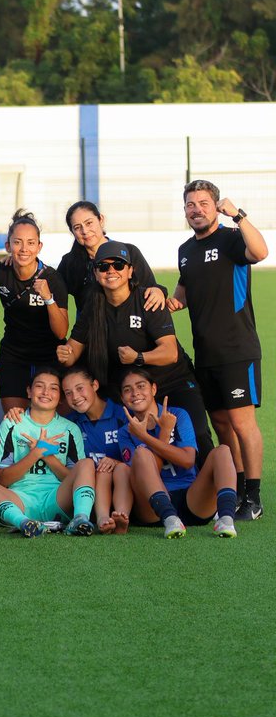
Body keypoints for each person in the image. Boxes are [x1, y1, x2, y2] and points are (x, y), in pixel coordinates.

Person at [57, 240, 213, 464]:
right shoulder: (94, 306)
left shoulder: (147, 299)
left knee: (196, 435)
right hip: (130, 393)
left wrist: (138, 358)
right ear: (95, 273)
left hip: (171, 382)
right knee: (131, 447)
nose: (111, 271)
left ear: (130, 270)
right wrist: (65, 353)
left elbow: (170, 353)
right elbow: (73, 349)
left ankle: (217, 494)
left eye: (119, 265)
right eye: (104, 267)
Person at [170, 180, 268, 519]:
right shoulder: (185, 251)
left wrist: (239, 215)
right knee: (222, 426)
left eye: (203, 203)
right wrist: (157, 300)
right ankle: (236, 490)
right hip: (206, 354)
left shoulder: (230, 238)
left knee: (243, 424)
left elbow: (261, 252)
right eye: (190, 204)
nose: (196, 209)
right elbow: (180, 296)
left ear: (216, 206)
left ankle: (253, 497)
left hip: (237, 350)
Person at [0, 368, 97, 537]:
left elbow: (72, 478)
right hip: (20, 500)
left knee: (87, 464)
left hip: (57, 499)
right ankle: (24, 523)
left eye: (54, 388)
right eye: (40, 386)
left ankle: (80, 518)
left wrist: (47, 455)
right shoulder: (12, 424)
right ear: (29, 391)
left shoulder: (69, 429)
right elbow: (3, 480)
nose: (46, 392)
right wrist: (34, 454)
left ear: (60, 397)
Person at [118, 370, 239, 539]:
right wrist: (161, 435)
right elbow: (148, 472)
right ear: (123, 399)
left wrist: (147, 436)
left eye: (141, 386)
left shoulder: (178, 415)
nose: (135, 393)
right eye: (127, 389)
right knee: (142, 454)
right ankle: (170, 519)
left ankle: (226, 519)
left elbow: (187, 461)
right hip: (154, 509)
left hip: (192, 498)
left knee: (222, 451)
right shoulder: (125, 432)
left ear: (153, 389)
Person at [0, 210, 69, 412]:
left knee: (57, 420)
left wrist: (48, 298)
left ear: (39, 246)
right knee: (15, 420)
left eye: (31, 243)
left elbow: (61, 332)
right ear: (8, 246)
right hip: (14, 355)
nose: (24, 249)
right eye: (17, 242)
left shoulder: (53, 279)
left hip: (49, 355)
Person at [55, 200, 166, 317]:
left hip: (130, 329)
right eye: (77, 227)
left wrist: (159, 291)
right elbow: (54, 292)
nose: (85, 231)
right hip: (89, 332)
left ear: (101, 220)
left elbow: (151, 288)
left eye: (89, 223)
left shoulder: (129, 252)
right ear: (72, 231)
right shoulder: (70, 262)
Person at [61, 368, 132, 534]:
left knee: (118, 469)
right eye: (68, 393)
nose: (75, 397)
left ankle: (122, 517)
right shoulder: (69, 424)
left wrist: (117, 462)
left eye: (80, 388)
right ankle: (102, 519)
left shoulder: (122, 415)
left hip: (126, 488)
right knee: (99, 471)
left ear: (95, 385)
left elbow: (140, 457)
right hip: (89, 495)